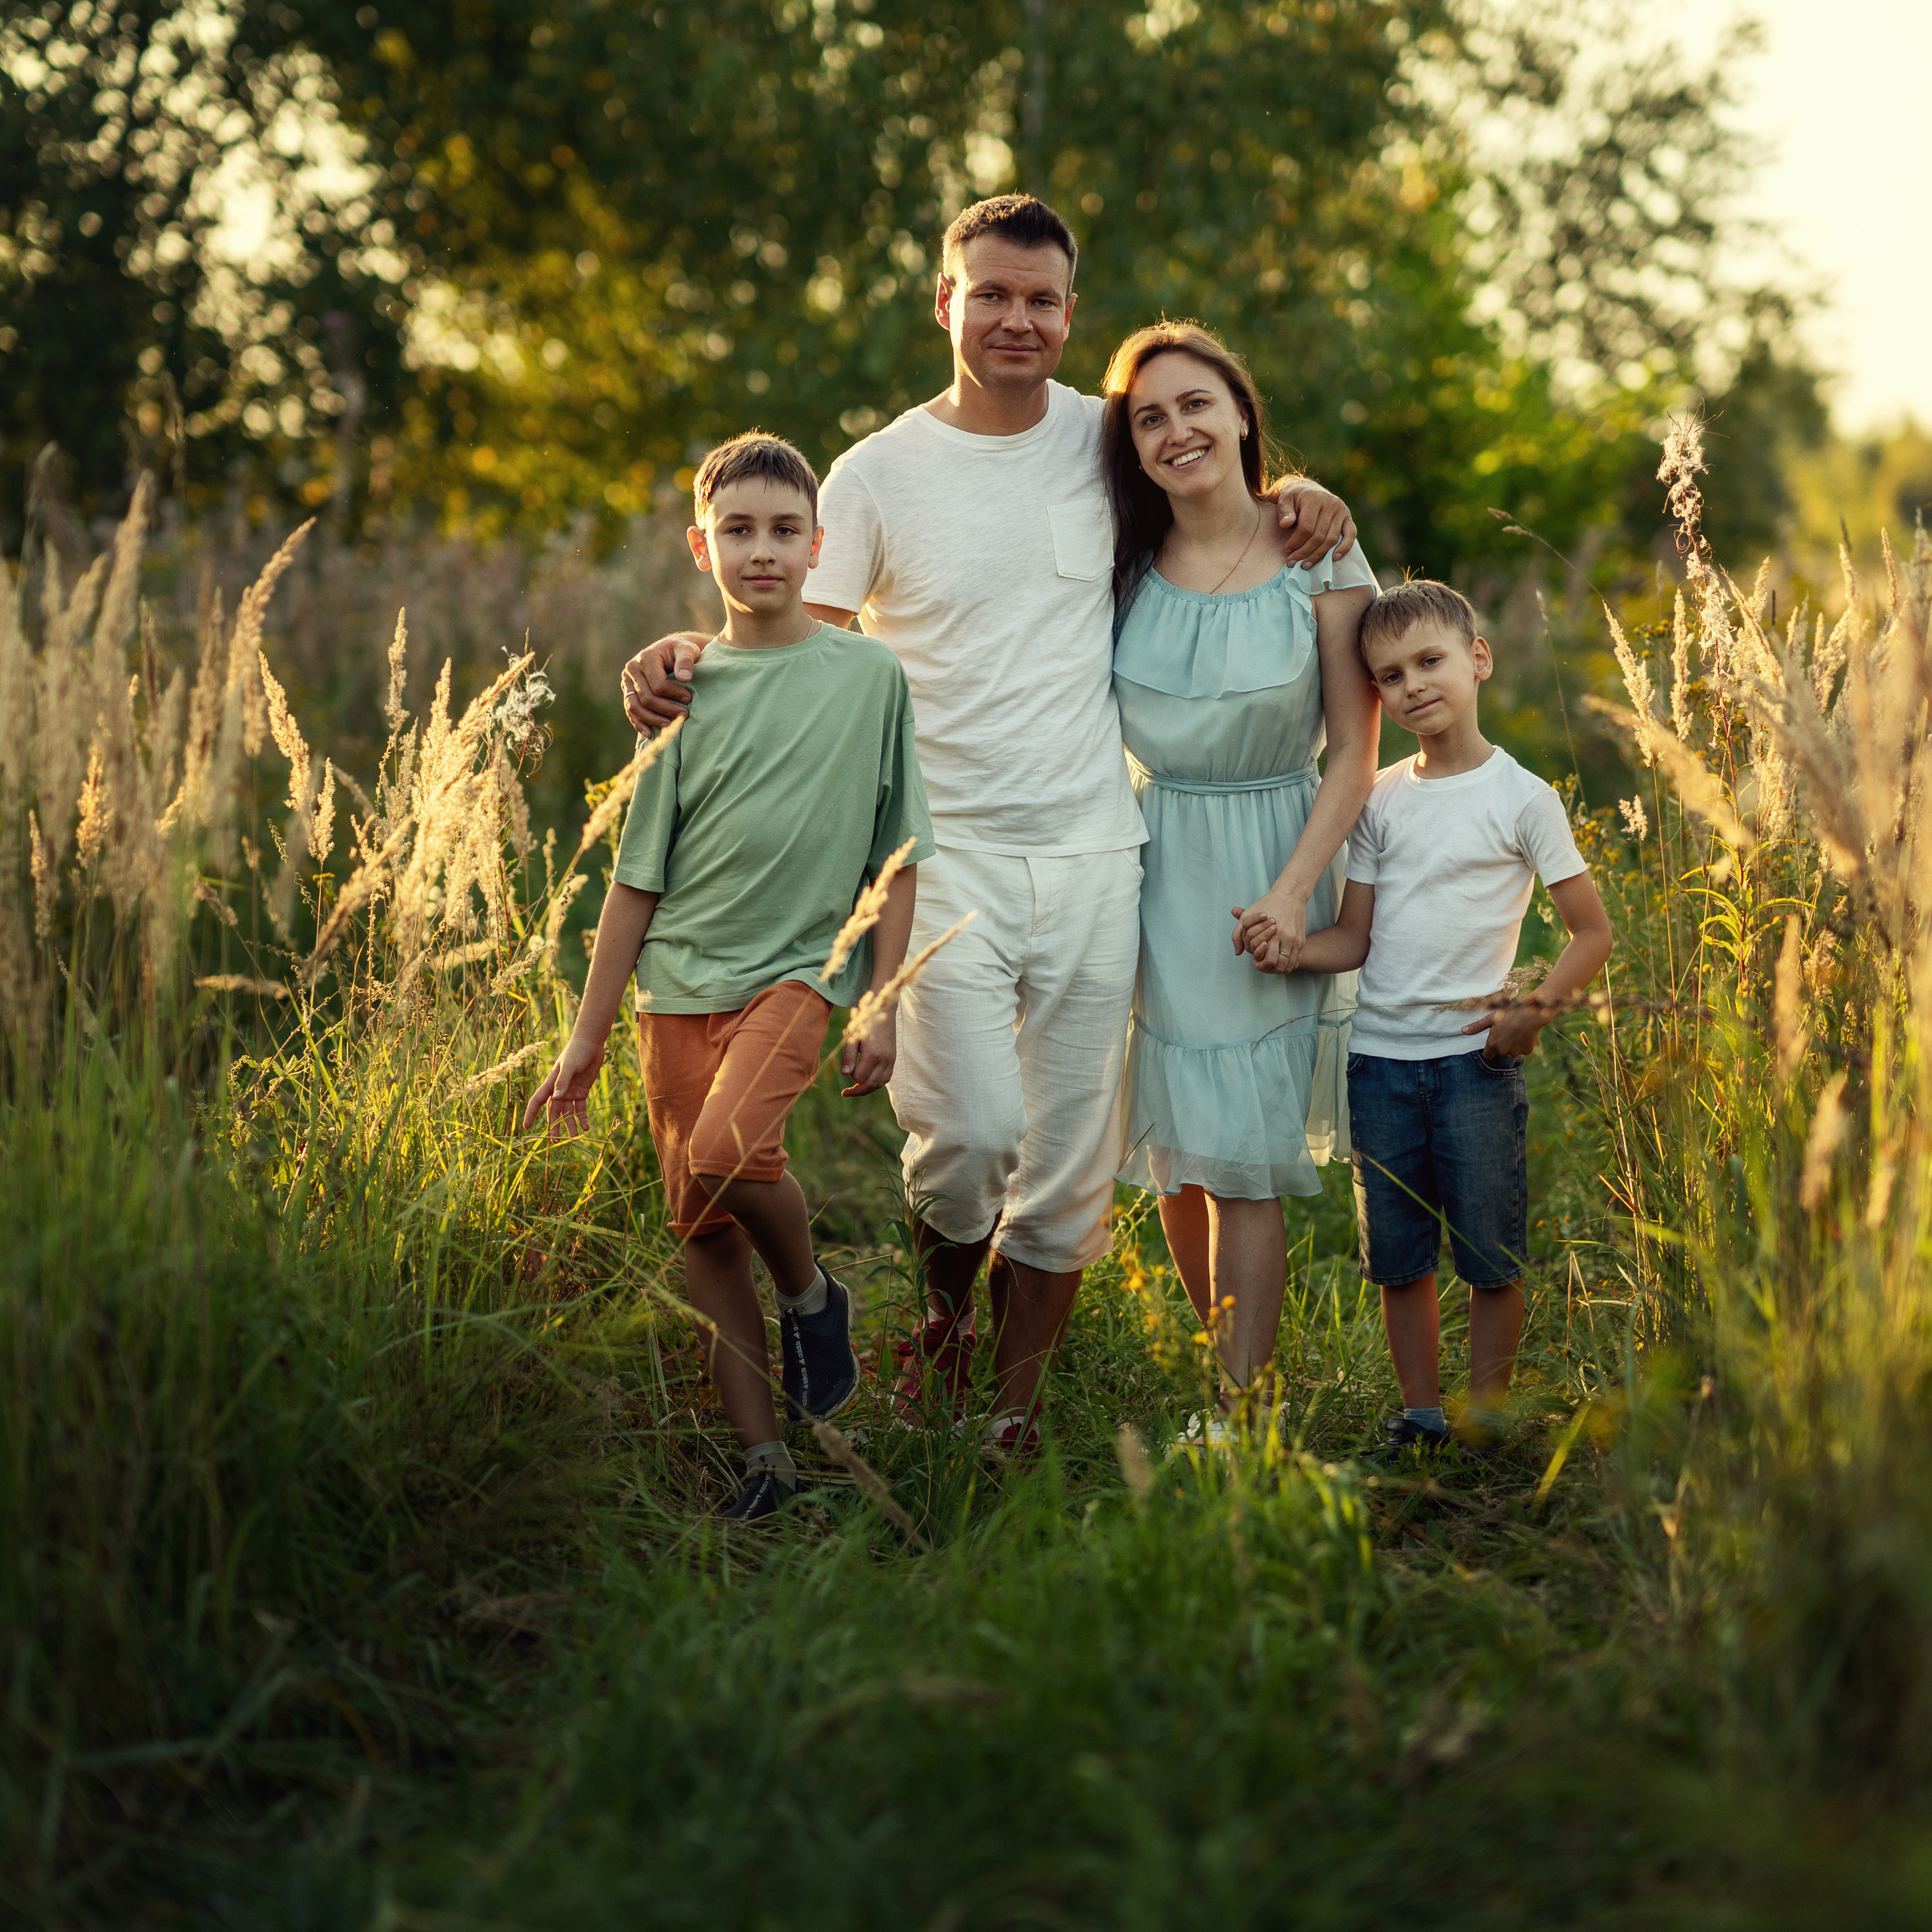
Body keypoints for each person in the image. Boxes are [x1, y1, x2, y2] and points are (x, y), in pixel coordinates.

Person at [622, 195, 1358, 1454]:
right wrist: (678, 655)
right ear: (946, 302)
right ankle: (944, 1332)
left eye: (1042, 299)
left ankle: (1005, 1417)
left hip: (1094, 856)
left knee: (1068, 1171)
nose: (1016, 317)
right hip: (937, 860)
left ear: (1071, 314)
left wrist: (1308, 498)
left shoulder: (1109, 444)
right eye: (992, 294)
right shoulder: (879, 474)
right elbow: (797, 626)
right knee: (965, 1143)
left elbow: (1218, 493)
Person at [525, 432, 934, 1520]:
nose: (763, 551)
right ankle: (765, 1464)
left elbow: (899, 861)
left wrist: (882, 1002)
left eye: (784, 531)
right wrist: (585, 1036)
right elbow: (633, 884)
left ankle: (811, 1296)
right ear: (701, 546)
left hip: (796, 974)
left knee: (727, 1152)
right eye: (739, 532)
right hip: (675, 992)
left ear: (818, 546)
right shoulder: (682, 693)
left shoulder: (868, 677)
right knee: (701, 1226)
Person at [1101, 321, 1379, 1442]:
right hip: (1156, 865)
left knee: (1244, 1161)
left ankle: (1243, 1415)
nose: (1178, 432)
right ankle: (1223, 1365)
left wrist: (1288, 892)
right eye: (1150, 417)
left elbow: (1356, 753)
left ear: (1243, 413)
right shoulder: (1120, 557)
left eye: (1196, 405)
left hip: (1279, 854)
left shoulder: (1319, 550)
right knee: (1176, 1153)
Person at [1289, 580, 1614, 1458]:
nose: (1412, 686)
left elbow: (1592, 931)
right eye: (1388, 676)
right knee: (1398, 1257)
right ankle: (1422, 1414)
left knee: (1488, 1253)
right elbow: (1352, 938)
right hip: (1380, 1064)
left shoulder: (1522, 797)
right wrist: (1289, 942)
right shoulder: (1379, 798)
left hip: (1474, 1064)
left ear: (1478, 658)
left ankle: (1484, 1420)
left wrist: (1532, 1014)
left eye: (1429, 661)